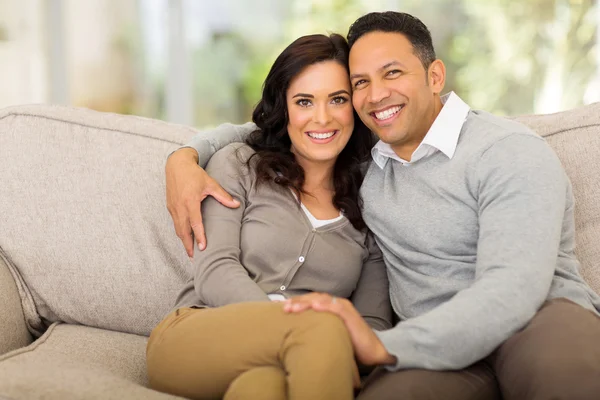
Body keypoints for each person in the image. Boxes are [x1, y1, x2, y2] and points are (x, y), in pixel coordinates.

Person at [164, 10, 600, 400]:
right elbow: (283, 124)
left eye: (392, 73)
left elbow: (513, 290)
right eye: (360, 84)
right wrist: (184, 155)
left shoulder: (505, 151)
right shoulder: (368, 163)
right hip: (431, 349)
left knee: (569, 380)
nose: (375, 96)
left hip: (534, 321)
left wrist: (384, 346)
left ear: (434, 76)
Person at [146, 33, 392, 400]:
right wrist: (296, 325)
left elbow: (372, 324)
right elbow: (215, 271)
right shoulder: (238, 165)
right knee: (321, 329)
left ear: (355, 108)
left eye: (337, 100)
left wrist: (314, 348)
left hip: (292, 360)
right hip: (197, 332)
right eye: (304, 101)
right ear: (285, 108)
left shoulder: (370, 205)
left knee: (263, 389)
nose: (321, 118)